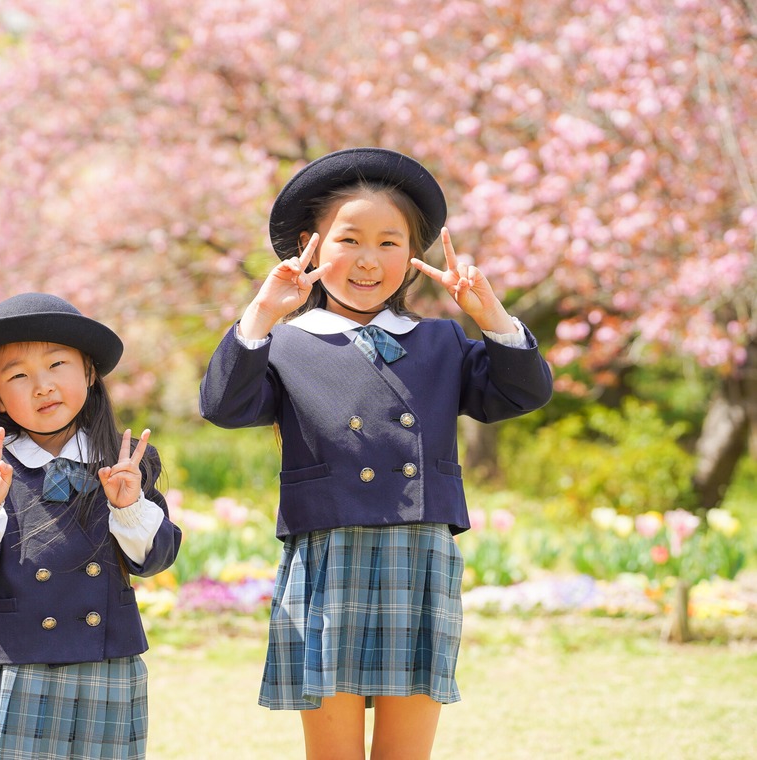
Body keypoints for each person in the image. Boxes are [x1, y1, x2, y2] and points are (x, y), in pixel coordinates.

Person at [199, 147, 554, 760]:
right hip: (325, 552)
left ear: (413, 257)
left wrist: (488, 314)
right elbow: (224, 406)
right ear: (312, 247)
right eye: (349, 239)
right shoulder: (282, 343)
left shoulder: (442, 339)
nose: (369, 260)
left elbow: (522, 392)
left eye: (390, 243)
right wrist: (261, 312)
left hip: (418, 552)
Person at [0, 292, 181, 760]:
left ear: (89, 372)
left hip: (107, 661)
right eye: (18, 375)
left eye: (57, 365)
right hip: (17, 664)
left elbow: (154, 560)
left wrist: (128, 507)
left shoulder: (127, 463)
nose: (42, 386)